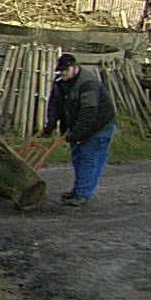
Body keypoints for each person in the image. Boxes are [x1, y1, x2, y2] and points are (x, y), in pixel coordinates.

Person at [41, 53, 116, 206]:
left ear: (75, 67)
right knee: (77, 156)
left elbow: (89, 113)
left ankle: (82, 193)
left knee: (89, 157)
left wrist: (76, 133)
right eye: (61, 70)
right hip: (77, 122)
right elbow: (54, 104)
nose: (63, 73)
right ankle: (78, 190)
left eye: (66, 70)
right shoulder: (60, 82)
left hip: (98, 124)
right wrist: (51, 124)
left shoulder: (88, 83)